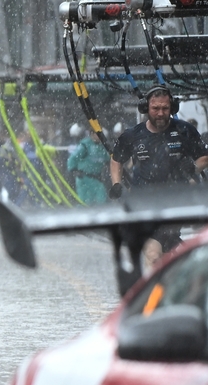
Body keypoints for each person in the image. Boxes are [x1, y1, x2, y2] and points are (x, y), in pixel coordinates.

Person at [109, 85, 208, 266]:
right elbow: (116, 160)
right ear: (146, 108)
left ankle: (171, 276)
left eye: (165, 108)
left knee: (170, 254)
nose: (160, 113)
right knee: (153, 254)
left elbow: (204, 157)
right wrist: (116, 184)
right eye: (155, 108)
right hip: (143, 204)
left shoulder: (185, 131)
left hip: (174, 203)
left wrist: (192, 168)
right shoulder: (133, 135)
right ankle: (160, 280)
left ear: (172, 108)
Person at [67, 129, 109, 204]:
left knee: (101, 199)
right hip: (84, 178)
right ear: (92, 134)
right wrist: (73, 169)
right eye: (98, 134)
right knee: (85, 202)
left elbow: (108, 159)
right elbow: (73, 158)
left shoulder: (103, 146)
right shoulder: (85, 145)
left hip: (97, 178)